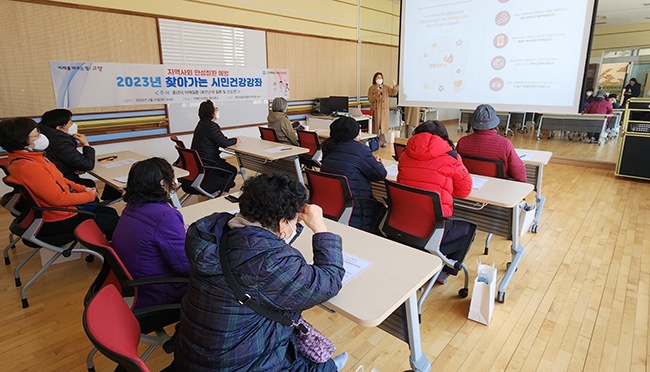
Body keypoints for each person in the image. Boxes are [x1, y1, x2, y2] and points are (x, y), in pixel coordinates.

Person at [173, 173, 347, 371]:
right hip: (234, 363)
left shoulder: (211, 229)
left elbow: (262, 244)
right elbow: (329, 282)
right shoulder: (269, 263)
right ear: (282, 223)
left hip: (195, 351)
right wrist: (321, 229)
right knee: (313, 365)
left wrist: (288, 223)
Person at [0, 117, 118, 239]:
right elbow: (58, 199)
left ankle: (109, 245)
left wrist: (83, 189)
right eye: (36, 136)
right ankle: (110, 252)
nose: (41, 137)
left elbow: (61, 179)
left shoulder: (33, 157)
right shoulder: (28, 167)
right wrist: (89, 195)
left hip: (61, 210)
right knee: (112, 221)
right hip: (56, 218)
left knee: (110, 213)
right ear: (21, 141)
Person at [397, 120, 473, 284]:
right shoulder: (451, 157)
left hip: (402, 222)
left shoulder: (404, 154)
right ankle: (446, 268)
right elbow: (464, 191)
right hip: (433, 226)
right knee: (468, 229)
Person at [111, 157, 189, 309]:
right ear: (162, 184)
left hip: (139, 287)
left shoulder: (132, 207)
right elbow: (185, 267)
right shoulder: (164, 216)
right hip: (161, 293)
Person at [320, 116, 387, 233]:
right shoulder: (360, 149)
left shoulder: (328, 146)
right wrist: (377, 163)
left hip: (330, 200)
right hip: (356, 205)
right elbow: (380, 174)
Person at [38, 109, 121, 201]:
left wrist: (74, 167)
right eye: (70, 122)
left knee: (90, 182)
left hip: (57, 178)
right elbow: (87, 165)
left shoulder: (46, 136)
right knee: (89, 183)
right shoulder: (60, 142)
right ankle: (96, 208)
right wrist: (86, 144)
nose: (73, 124)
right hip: (62, 183)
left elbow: (62, 159)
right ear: (59, 128)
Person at [456, 104, 527, 182]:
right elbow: (520, 174)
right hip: (498, 186)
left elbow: (456, 166)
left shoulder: (462, 142)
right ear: (495, 124)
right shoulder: (505, 144)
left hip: (469, 185)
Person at [190, 99, 239, 193]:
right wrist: (236, 140)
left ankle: (218, 191)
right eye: (215, 108)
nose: (217, 110)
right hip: (209, 162)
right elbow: (224, 143)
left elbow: (220, 139)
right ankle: (221, 194)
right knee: (232, 170)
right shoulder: (211, 126)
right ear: (211, 112)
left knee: (227, 168)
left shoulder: (201, 124)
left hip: (201, 161)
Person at [367, 72, 398, 148]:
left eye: (381, 78)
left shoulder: (386, 87)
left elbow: (394, 93)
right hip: (376, 110)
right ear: (375, 79)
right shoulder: (372, 88)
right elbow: (370, 99)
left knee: (383, 127)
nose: (379, 79)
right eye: (378, 78)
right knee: (376, 126)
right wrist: (377, 93)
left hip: (384, 111)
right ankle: (374, 142)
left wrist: (394, 85)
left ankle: (383, 141)